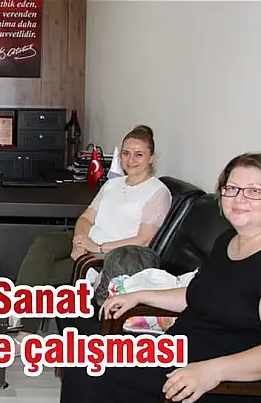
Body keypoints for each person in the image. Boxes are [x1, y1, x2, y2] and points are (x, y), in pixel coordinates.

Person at [62, 152, 261, 403]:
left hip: (216, 382)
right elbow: (197, 295)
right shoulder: (227, 240)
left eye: (254, 191)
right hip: (177, 351)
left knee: (90, 374)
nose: (239, 199)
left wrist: (212, 371)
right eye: (232, 189)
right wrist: (140, 296)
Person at [9, 125, 172, 339]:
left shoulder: (157, 192)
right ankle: (19, 316)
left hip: (109, 254)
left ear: (151, 157)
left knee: (41, 273)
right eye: (126, 153)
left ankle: (23, 329)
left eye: (138, 154)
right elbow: (86, 218)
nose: (130, 160)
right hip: (88, 240)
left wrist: (97, 248)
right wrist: (79, 241)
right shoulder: (113, 184)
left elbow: (143, 240)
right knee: (43, 243)